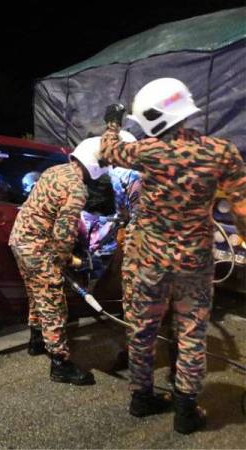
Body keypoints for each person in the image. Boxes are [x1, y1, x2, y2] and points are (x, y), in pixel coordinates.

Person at [99, 78, 246, 433]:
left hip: (148, 260)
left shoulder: (147, 151)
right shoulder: (221, 152)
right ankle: (186, 411)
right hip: (194, 264)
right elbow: (242, 206)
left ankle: (141, 397)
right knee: (192, 333)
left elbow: (107, 151)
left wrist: (113, 122)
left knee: (143, 330)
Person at [8, 135, 129, 386]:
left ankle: (36, 340)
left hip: (19, 240)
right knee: (53, 300)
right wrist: (70, 259)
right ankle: (60, 363)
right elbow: (64, 234)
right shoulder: (77, 188)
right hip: (38, 247)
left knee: (35, 292)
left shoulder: (55, 170)